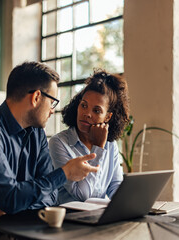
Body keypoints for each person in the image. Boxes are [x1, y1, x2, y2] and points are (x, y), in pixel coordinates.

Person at [0, 62, 99, 240]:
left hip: (8, 230)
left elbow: (51, 197)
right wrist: (64, 173)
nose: (53, 111)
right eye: (52, 102)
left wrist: (4, 211)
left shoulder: (37, 134)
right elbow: (12, 198)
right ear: (36, 97)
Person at [49, 69, 130, 204]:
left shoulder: (110, 145)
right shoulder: (59, 143)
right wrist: (97, 148)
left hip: (98, 218)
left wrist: (128, 204)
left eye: (96, 110)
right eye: (84, 105)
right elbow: (83, 195)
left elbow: (115, 186)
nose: (87, 114)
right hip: (70, 219)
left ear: (108, 117)